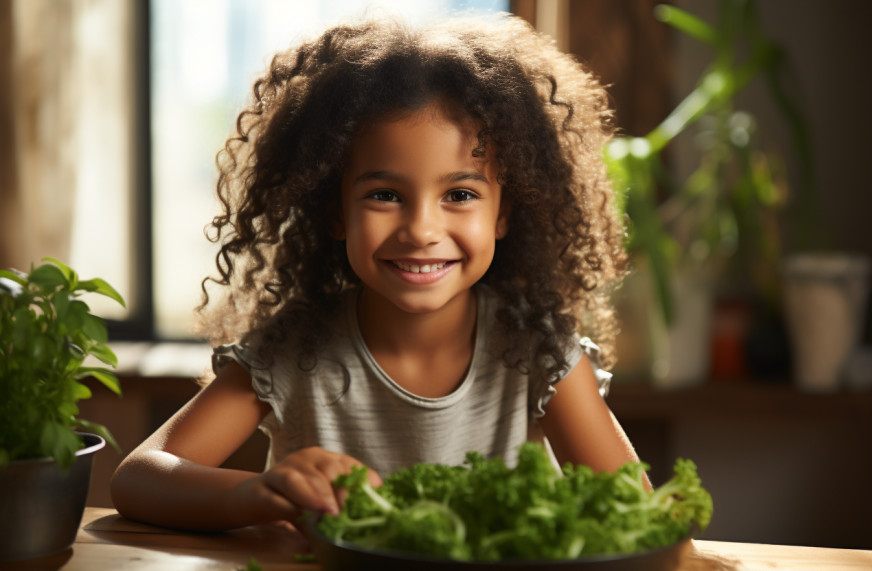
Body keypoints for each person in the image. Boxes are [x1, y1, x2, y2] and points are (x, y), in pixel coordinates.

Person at [111, 12, 645, 533]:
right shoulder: (297, 349)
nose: (420, 230)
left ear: (503, 214)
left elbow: (641, 517)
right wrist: (254, 495)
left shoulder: (537, 352)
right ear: (335, 212)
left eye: (459, 195)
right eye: (384, 195)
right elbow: (139, 478)